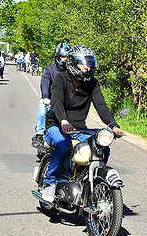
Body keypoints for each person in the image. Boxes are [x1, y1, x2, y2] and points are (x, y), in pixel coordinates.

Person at [40, 45, 124, 202]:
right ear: (72, 63)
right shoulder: (61, 78)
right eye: (83, 63)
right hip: (56, 125)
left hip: (79, 129)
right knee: (63, 145)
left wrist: (113, 125)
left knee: (102, 149)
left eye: (90, 63)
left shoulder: (92, 83)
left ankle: (88, 180)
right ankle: (50, 183)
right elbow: (56, 102)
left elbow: (101, 106)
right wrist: (63, 120)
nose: (88, 67)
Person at [31, 42, 70, 148]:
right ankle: (39, 134)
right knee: (43, 109)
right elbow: (44, 82)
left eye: (67, 57)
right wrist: (45, 97)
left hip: (66, 101)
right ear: (57, 56)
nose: (64, 59)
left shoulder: (71, 71)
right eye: (62, 56)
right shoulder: (49, 69)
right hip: (51, 100)